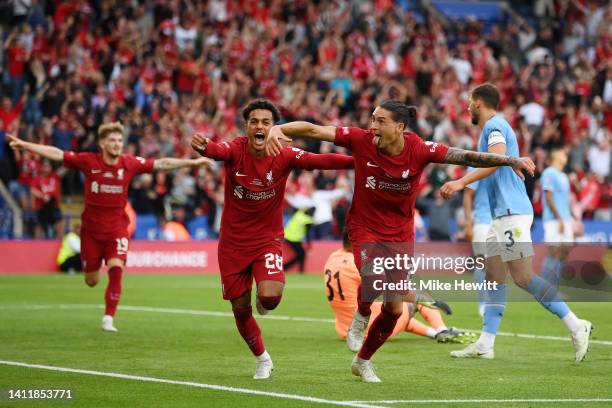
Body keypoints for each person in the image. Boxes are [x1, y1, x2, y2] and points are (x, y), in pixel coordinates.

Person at [265, 99, 535, 382]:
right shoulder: (362, 139)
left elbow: (465, 156)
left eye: (380, 121)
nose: (373, 126)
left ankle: (363, 361)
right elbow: (315, 130)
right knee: (372, 278)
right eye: (372, 119)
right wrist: (280, 128)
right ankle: (361, 314)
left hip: (400, 234)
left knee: (394, 309)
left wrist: (509, 159)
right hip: (364, 227)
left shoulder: (419, 148)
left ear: (400, 127)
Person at [190, 98, 354, 380]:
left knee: (270, 297)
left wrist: (361, 161)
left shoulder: (284, 154)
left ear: (274, 127)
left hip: (266, 239)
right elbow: (218, 150)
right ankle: (262, 358)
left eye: (266, 122)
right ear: (246, 126)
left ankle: (264, 303)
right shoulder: (236, 148)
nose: (259, 126)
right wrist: (207, 147)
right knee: (240, 309)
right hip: (232, 243)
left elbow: (320, 161)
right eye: (254, 121)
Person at [9, 122, 211, 332]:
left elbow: (161, 163)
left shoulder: (129, 164)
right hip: (91, 232)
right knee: (91, 280)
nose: (117, 144)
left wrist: (192, 164)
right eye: (112, 140)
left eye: (119, 140)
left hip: (116, 229)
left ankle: (108, 318)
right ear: (102, 144)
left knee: (116, 268)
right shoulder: (88, 161)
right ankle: (97, 286)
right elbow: (57, 154)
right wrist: (26, 145)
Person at [440, 83, 592, 362]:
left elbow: (497, 159)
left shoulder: (494, 125)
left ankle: (576, 324)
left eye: (469, 102)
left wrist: (461, 181)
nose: (466, 108)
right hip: (502, 212)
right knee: (494, 276)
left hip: (512, 211)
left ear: (477, 102)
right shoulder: (494, 128)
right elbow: (502, 160)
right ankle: (486, 343)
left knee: (522, 277)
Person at [324, 230, 475, 344]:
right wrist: (432, 302)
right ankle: (442, 329)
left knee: (396, 311)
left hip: (345, 330)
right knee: (414, 293)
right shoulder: (358, 263)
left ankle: (435, 334)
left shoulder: (333, 257)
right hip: (368, 330)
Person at [540, 148, 581, 286]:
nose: (565, 155)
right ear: (554, 156)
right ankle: (546, 286)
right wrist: (559, 218)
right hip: (553, 219)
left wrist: (575, 218)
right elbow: (549, 195)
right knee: (554, 251)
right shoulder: (549, 172)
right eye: (562, 153)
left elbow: (566, 200)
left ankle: (554, 284)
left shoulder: (563, 176)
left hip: (565, 219)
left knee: (565, 251)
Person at [463, 167, 493, 316]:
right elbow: (468, 194)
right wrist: (468, 223)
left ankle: (492, 301)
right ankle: (483, 303)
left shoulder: (503, 164)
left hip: (499, 221)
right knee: (482, 262)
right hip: (482, 220)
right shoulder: (476, 166)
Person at [283, 206, 315, 273]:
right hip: (294, 238)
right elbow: (308, 234)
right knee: (302, 254)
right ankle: (287, 267)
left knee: (301, 254)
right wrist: (309, 243)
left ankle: (289, 267)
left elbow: (293, 208)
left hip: (287, 235)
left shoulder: (299, 214)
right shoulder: (308, 220)